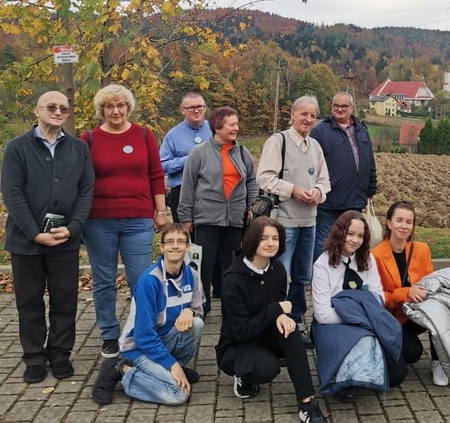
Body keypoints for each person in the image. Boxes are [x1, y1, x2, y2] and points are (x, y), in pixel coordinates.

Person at [0, 91, 94, 383]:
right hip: (25, 240)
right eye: (51, 107)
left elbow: (86, 190)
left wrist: (73, 227)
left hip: (64, 239)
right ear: (37, 111)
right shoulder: (17, 148)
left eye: (63, 108)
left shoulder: (79, 148)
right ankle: (34, 357)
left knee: (65, 298)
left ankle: (60, 353)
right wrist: (34, 232)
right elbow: (12, 193)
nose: (58, 112)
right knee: (29, 300)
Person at [81, 84, 168, 359]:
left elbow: (156, 174)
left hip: (138, 220)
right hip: (99, 221)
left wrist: (161, 210)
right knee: (104, 280)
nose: (116, 111)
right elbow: (81, 180)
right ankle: (109, 334)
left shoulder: (144, 134)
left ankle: (142, 331)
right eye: (109, 106)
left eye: (120, 105)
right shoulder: (88, 139)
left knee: (140, 279)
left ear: (129, 107)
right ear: (102, 110)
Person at [215, 217, 328, 423]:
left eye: (275, 238)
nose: (270, 243)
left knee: (293, 333)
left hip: (266, 332)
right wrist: (277, 310)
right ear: (251, 240)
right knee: (268, 368)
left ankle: (307, 403)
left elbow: (276, 306)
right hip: (238, 343)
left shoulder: (278, 270)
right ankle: (243, 377)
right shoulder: (233, 279)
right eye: (264, 238)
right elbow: (241, 330)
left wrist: (283, 316)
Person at [92, 224, 205, 406]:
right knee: (178, 394)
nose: (175, 246)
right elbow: (144, 337)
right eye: (170, 242)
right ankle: (122, 369)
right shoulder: (150, 281)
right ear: (161, 247)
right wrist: (173, 365)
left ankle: (165, 370)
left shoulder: (191, 274)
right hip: (138, 348)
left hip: (163, 340)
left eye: (180, 241)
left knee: (196, 324)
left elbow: (199, 308)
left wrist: (189, 311)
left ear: (187, 247)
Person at [258, 96, 330, 346]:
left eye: (313, 115)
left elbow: (325, 180)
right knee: (281, 275)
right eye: (304, 114)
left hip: (309, 222)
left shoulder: (315, 147)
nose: (308, 119)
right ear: (292, 114)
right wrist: (293, 190)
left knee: (302, 276)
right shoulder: (278, 142)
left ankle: (297, 321)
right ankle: (276, 321)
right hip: (284, 222)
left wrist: (318, 192)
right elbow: (264, 178)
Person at [312, 211, 405, 398]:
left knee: (397, 374)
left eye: (360, 236)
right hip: (335, 325)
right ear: (340, 233)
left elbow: (378, 297)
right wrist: (355, 314)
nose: (355, 240)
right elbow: (323, 314)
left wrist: (357, 310)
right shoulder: (322, 265)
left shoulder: (368, 259)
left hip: (364, 321)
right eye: (350, 234)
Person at [177, 106, 257, 314]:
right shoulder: (199, 152)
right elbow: (188, 186)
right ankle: (201, 305)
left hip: (235, 219)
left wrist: (251, 206)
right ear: (217, 126)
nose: (236, 128)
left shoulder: (243, 152)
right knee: (204, 265)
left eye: (236, 124)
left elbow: (251, 181)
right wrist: (186, 218)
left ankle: (231, 307)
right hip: (207, 218)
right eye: (231, 124)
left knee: (231, 265)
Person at [372, 201, 447, 386]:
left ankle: (438, 361)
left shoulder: (422, 249)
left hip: (420, 311)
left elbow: (430, 283)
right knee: (412, 353)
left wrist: (425, 294)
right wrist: (406, 292)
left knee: (442, 307)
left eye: (408, 222)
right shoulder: (375, 256)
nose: (404, 226)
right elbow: (378, 297)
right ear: (389, 223)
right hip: (394, 317)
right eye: (399, 220)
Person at [310, 91, 377, 261]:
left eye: (344, 106)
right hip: (329, 202)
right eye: (336, 106)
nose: (340, 109)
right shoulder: (320, 132)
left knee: (351, 242)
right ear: (331, 107)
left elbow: (370, 161)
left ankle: (345, 273)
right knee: (324, 242)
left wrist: (371, 187)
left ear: (352, 108)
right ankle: (320, 274)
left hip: (355, 200)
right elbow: (312, 165)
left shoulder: (361, 130)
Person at [160, 92, 212, 223]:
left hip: (212, 193)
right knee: (184, 233)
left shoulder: (216, 131)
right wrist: (188, 159)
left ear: (205, 108)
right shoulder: (173, 135)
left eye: (200, 107)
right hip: (181, 194)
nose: (196, 111)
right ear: (183, 110)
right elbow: (162, 166)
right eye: (191, 108)